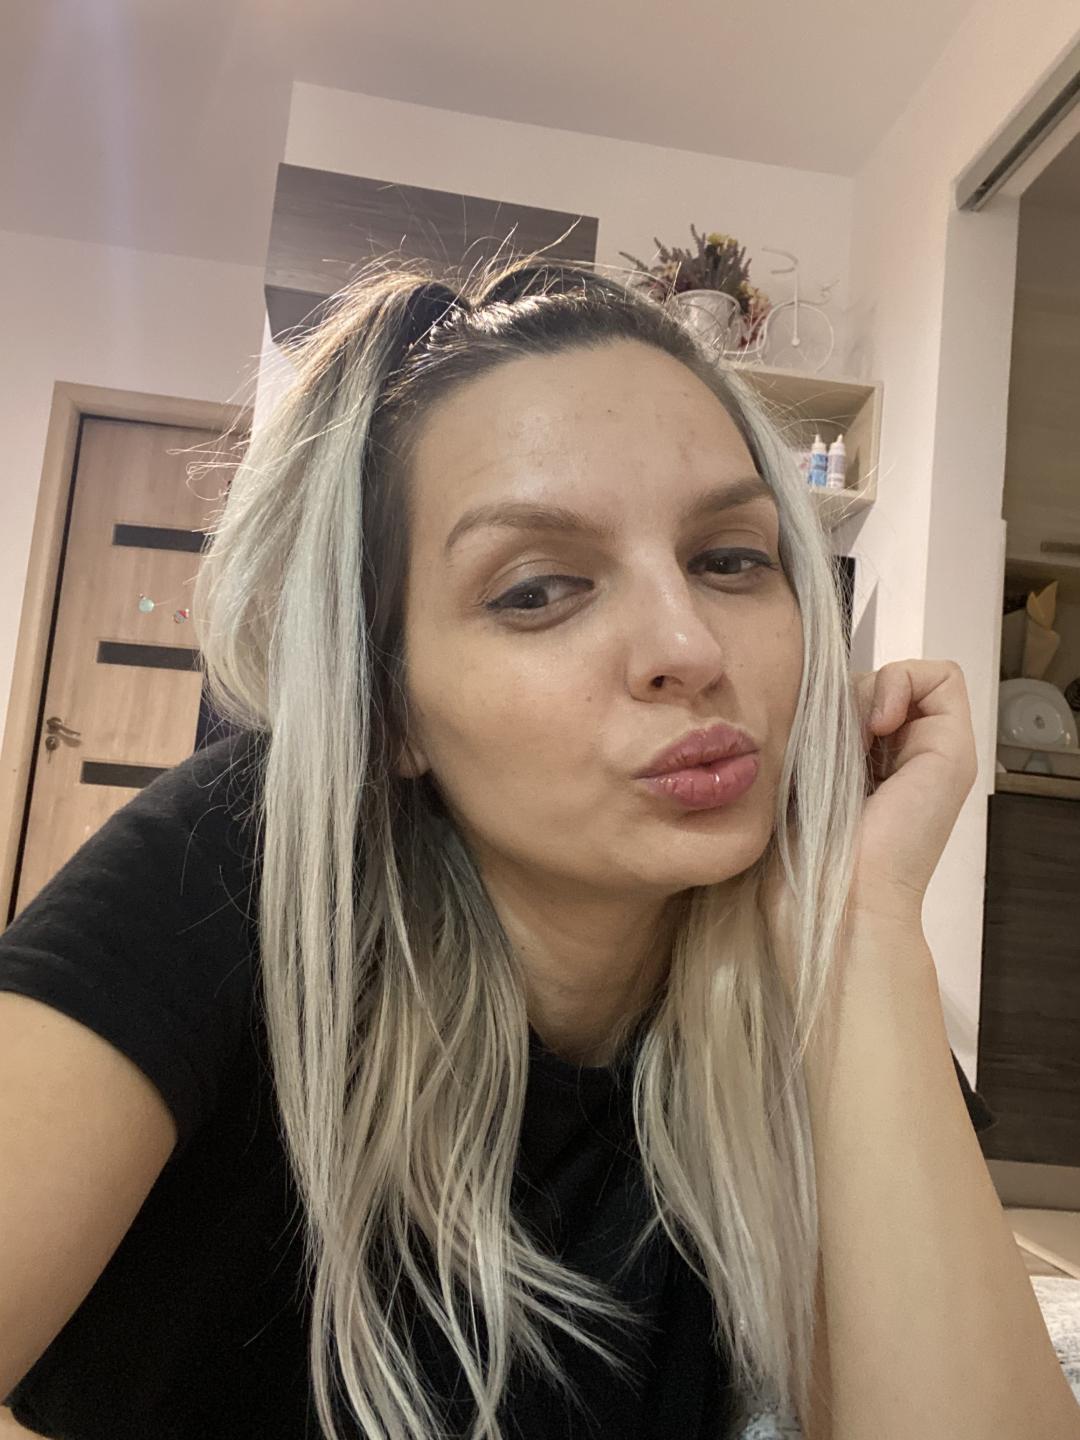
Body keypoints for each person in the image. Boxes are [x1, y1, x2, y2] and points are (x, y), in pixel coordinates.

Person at [0, 256, 996, 1440]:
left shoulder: (798, 984)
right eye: (537, 590)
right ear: (391, 707)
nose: (689, 647)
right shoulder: (240, 859)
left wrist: (861, 924)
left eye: (731, 559)